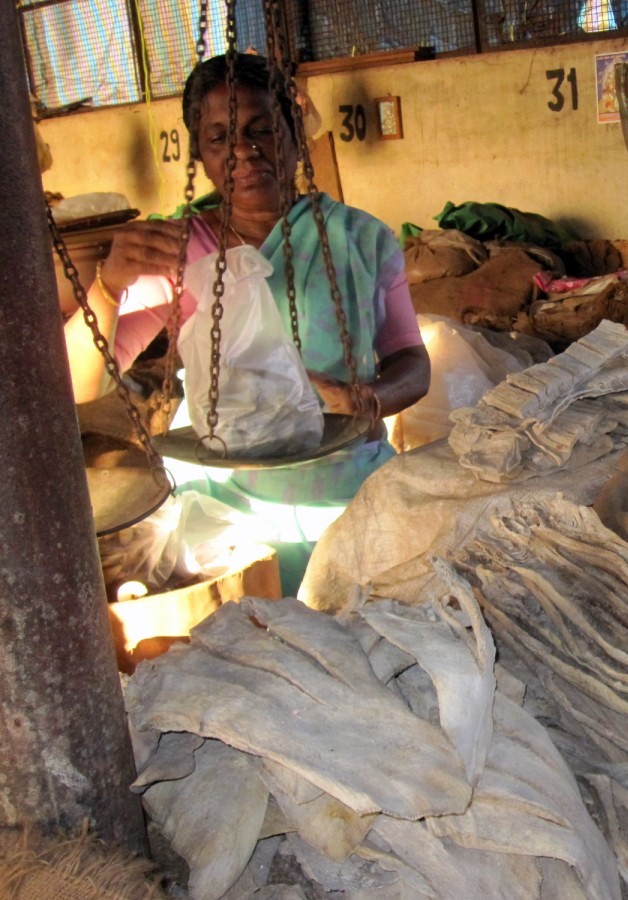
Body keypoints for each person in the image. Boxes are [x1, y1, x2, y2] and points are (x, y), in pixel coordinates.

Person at [64, 52, 430, 598]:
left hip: (346, 493)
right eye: (218, 139)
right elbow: (78, 384)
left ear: (295, 135)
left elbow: (412, 362)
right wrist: (109, 286)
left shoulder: (360, 239)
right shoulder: (179, 250)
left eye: (262, 129)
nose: (242, 150)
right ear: (202, 156)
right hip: (227, 512)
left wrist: (365, 399)